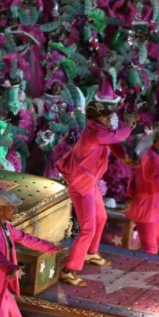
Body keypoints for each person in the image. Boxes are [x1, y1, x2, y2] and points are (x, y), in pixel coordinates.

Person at [56, 91, 131, 283]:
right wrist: (129, 125)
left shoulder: (98, 131)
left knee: (102, 217)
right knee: (88, 228)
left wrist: (126, 158)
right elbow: (118, 135)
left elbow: (113, 142)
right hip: (82, 185)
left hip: (90, 182)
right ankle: (69, 270)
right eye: (106, 116)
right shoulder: (96, 133)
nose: (110, 119)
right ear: (97, 118)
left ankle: (91, 252)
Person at [126, 128, 159, 255]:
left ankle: (138, 262)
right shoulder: (153, 159)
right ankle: (139, 272)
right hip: (146, 207)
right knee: (150, 249)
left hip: (152, 206)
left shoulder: (154, 155)